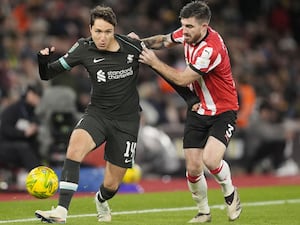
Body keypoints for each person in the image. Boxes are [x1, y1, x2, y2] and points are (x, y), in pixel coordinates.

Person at [130, 1, 242, 222]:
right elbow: (163, 40)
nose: (185, 31)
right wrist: (138, 43)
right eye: (184, 25)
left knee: (211, 160)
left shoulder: (211, 49)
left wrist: (153, 62)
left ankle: (230, 193)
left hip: (223, 109)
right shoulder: (187, 33)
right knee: (192, 166)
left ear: (204, 26)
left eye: (190, 27)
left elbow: (182, 79)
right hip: (198, 107)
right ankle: (203, 212)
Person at [34, 5, 145, 223]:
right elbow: (48, 74)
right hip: (98, 114)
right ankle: (61, 211)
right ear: (90, 29)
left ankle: (101, 200)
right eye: (97, 31)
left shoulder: (133, 47)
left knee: (112, 185)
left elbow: (162, 64)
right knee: (75, 145)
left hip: (127, 121)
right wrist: (42, 61)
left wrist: (190, 99)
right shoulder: (83, 48)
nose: (102, 37)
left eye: (107, 32)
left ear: (115, 30)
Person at [0, 83, 42, 171]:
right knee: (23, 147)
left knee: (37, 145)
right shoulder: (13, 110)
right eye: (35, 95)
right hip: (6, 144)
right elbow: (5, 129)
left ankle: (42, 170)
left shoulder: (32, 112)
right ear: (29, 94)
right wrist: (24, 133)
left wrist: (34, 129)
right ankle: (37, 174)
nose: (37, 99)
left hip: (24, 144)